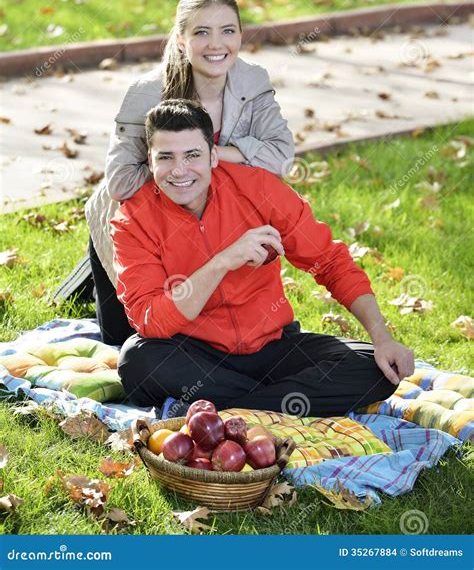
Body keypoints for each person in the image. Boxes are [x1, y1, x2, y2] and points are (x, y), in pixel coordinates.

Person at [111, 99, 415, 417]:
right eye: (166, 158)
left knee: (374, 367)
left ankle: (228, 409)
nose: (180, 170)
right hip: (194, 354)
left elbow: (330, 261)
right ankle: (273, 405)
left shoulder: (257, 189)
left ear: (213, 156)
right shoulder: (133, 220)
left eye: (192, 155)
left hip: (272, 349)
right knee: (138, 361)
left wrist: (383, 339)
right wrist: (222, 262)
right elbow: (151, 319)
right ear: (150, 160)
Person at [84, 0, 295, 347]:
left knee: (214, 334)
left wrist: (212, 155)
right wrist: (181, 165)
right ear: (181, 40)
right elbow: (120, 182)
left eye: (227, 31)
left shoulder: (251, 80)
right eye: (201, 32)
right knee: (129, 343)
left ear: (240, 35)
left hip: (211, 221)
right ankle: (91, 279)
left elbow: (281, 156)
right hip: (138, 227)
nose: (216, 44)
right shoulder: (148, 91)